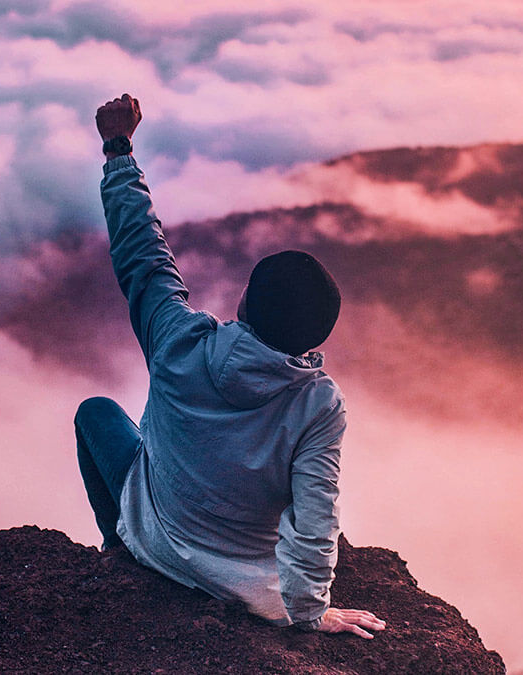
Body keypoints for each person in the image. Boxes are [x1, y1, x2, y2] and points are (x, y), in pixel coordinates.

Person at [74, 93, 385, 639]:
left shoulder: (178, 341)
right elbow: (317, 520)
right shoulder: (319, 404)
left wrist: (118, 151)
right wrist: (311, 613)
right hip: (245, 584)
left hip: (157, 540)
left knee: (96, 413)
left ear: (246, 303)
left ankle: (117, 544)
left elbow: (143, 257)